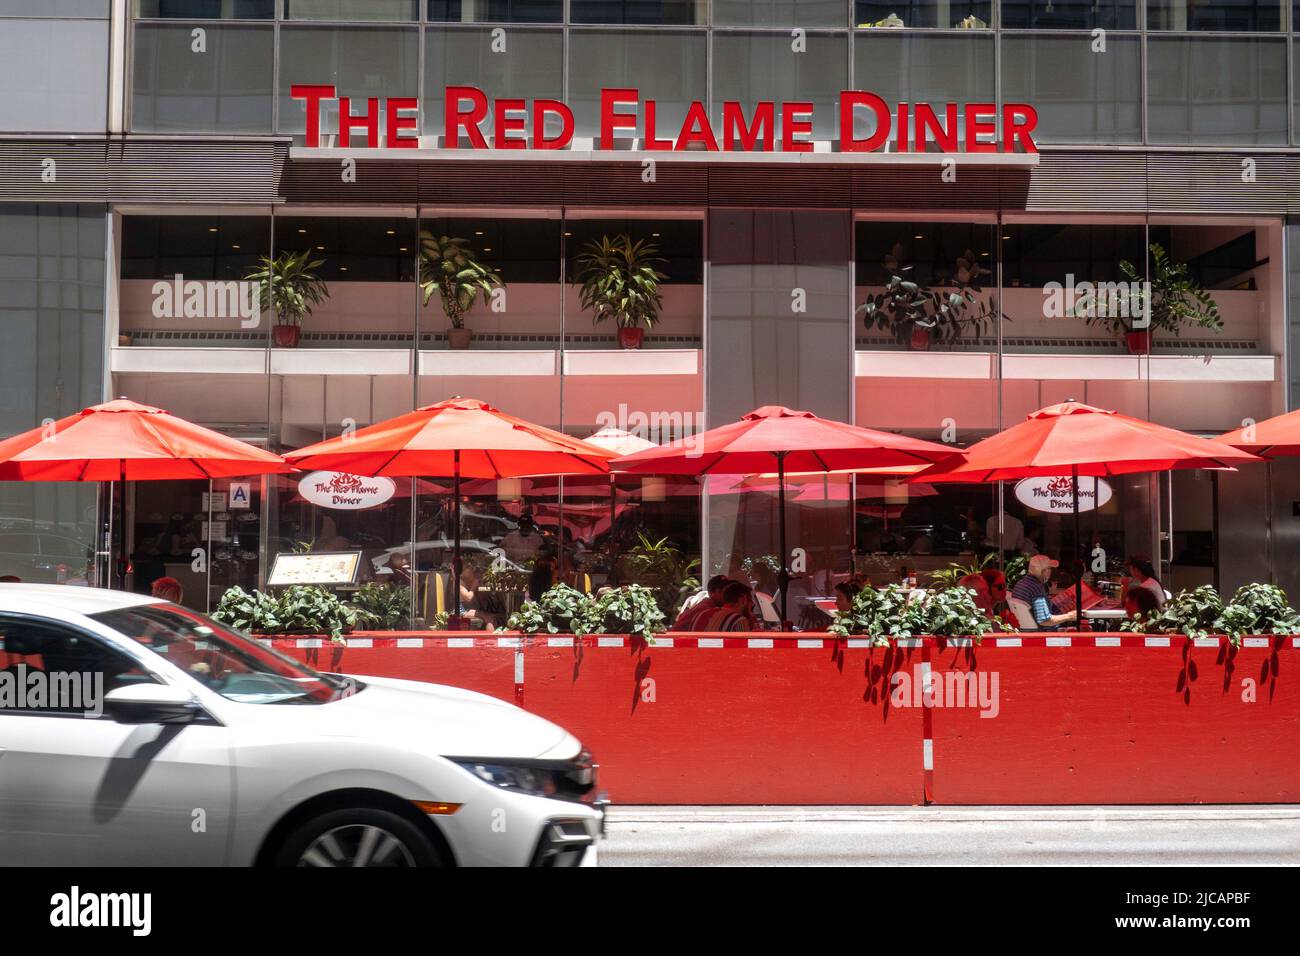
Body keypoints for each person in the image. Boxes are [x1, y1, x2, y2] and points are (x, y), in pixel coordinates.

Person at [1010, 554, 1078, 630]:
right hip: (1044, 633)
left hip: (1027, 630)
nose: (1050, 572)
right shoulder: (1036, 588)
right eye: (1048, 569)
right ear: (1040, 571)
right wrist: (1069, 616)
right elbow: (1044, 620)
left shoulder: (1021, 583)